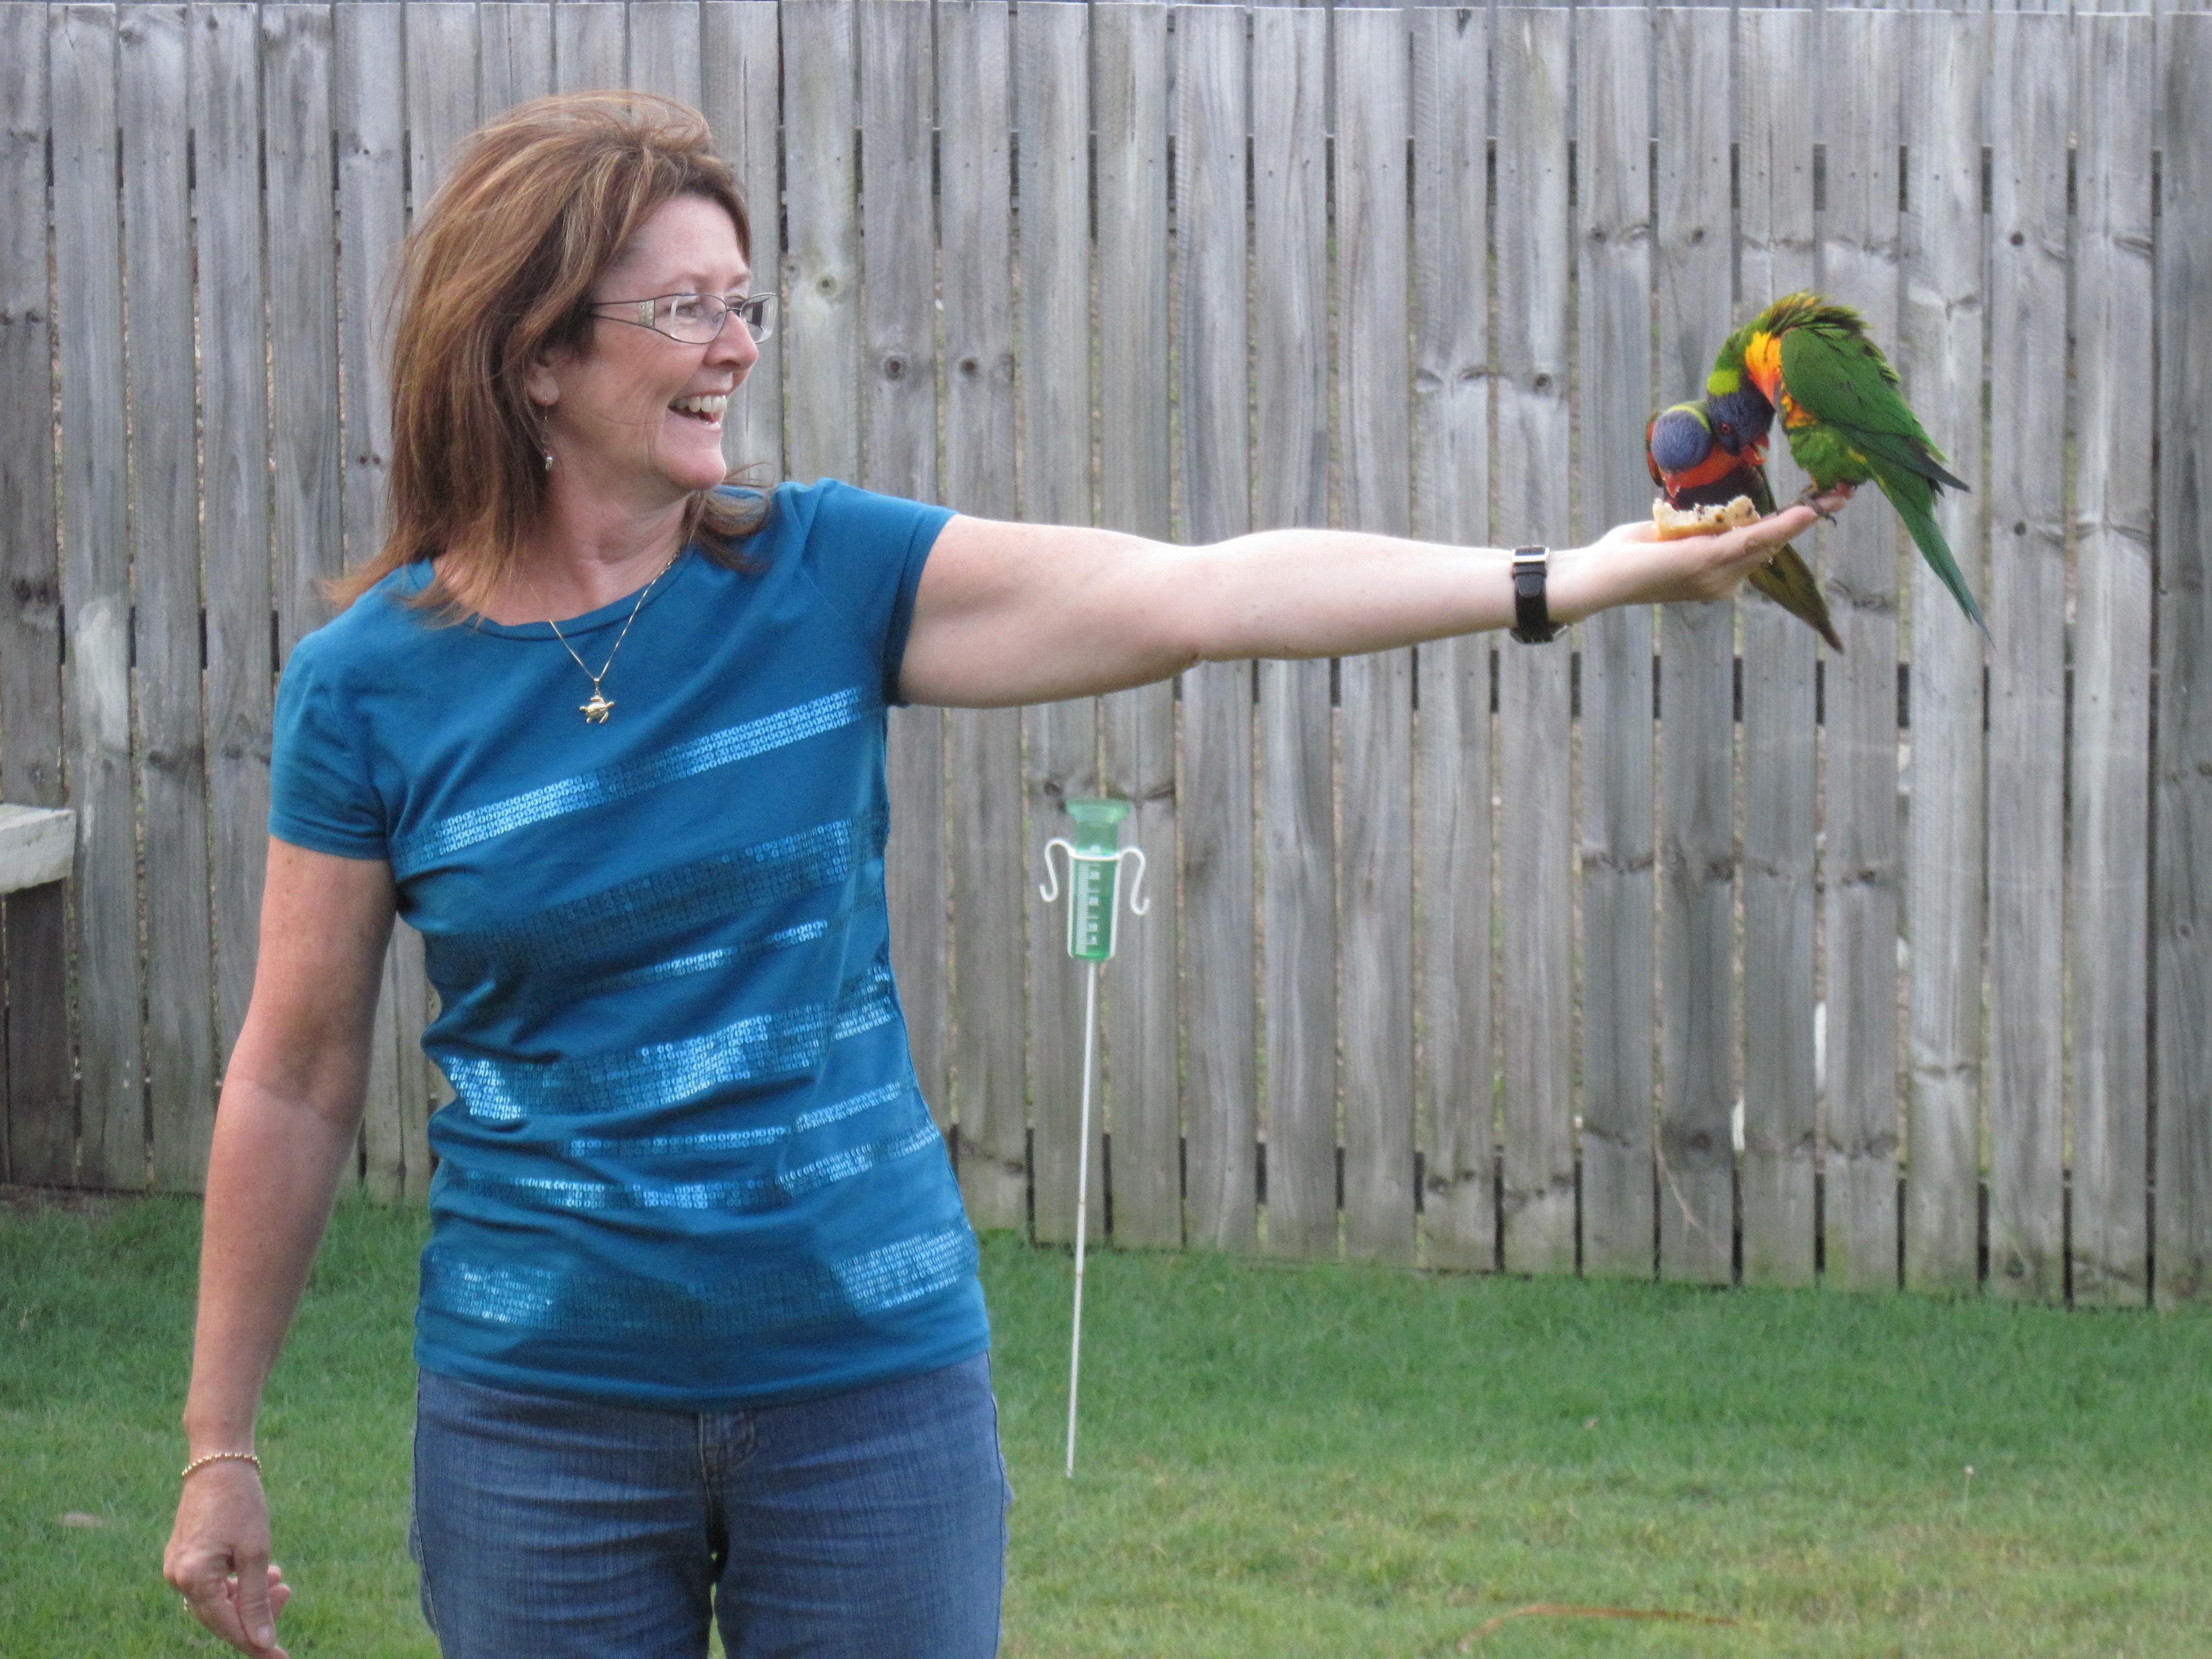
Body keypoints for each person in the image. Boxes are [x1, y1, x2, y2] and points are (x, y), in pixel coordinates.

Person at [163, 91, 1824, 1659]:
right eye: (685, 310)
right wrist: (216, 1444)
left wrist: (1564, 578)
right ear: (534, 355)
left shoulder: (819, 575)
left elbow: (1195, 594)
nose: (739, 344)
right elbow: (299, 1075)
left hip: (867, 1399)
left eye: (743, 301)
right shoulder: (373, 685)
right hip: (539, 1423)